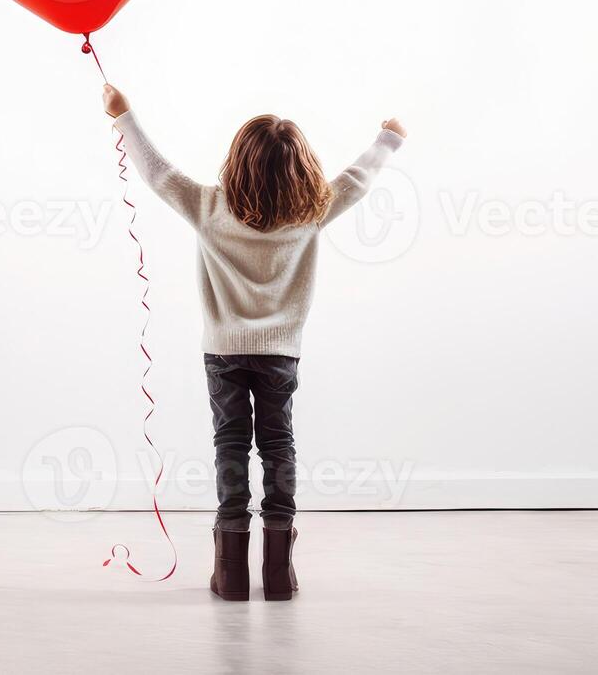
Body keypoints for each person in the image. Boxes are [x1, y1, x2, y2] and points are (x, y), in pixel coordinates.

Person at [100, 83, 406, 602]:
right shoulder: (313, 209)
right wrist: (388, 139)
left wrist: (123, 114)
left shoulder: (207, 206)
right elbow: (358, 179)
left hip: (223, 351)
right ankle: (280, 573)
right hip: (281, 351)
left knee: (230, 446)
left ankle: (232, 572)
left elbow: (157, 173)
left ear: (238, 163)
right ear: (300, 169)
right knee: (278, 444)